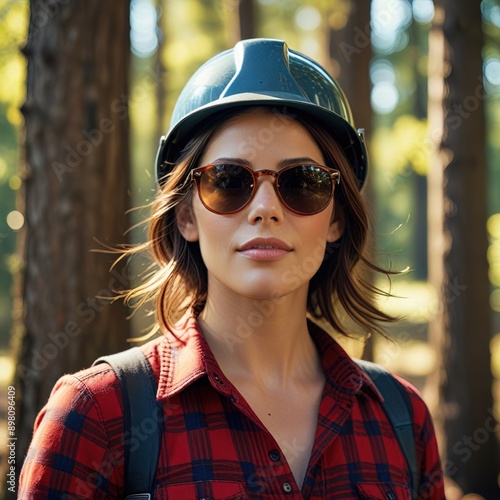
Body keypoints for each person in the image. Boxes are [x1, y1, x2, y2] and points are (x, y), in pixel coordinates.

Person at [20, 38, 445, 499]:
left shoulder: (404, 420)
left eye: (302, 182)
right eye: (228, 181)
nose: (265, 208)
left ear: (336, 218)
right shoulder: (94, 416)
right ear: (186, 217)